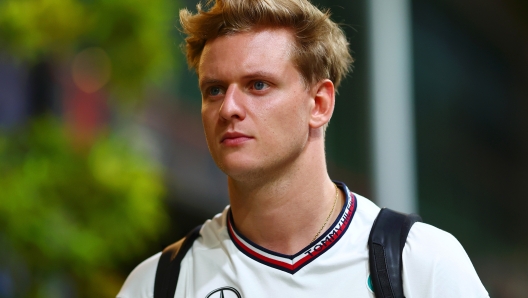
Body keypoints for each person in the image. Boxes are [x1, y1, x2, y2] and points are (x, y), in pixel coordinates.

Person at [117, 0, 489, 297]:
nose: (228, 107)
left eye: (258, 85)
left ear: (319, 104)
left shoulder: (420, 263)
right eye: (214, 89)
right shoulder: (157, 283)